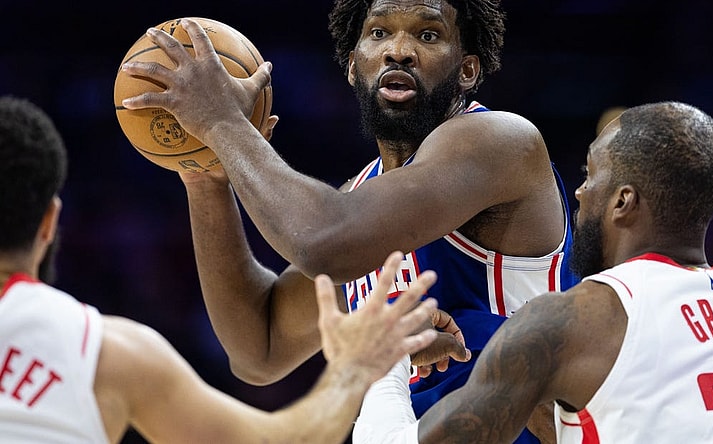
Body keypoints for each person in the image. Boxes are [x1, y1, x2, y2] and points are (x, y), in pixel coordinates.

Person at [120, 2, 578, 441]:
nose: (398, 50)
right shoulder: (359, 201)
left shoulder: (501, 142)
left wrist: (222, 122)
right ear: (354, 67)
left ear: (467, 70)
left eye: (428, 34)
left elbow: (324, 242)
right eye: (379, 33)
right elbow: (258, 347)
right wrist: (207, 178)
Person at [0, 95, 440, 444]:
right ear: (49, 221)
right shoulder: (105, 354)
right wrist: (357, 366)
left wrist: (204, 177)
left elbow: (259, 349)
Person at [350, 101, 713, 443]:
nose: (578, 191)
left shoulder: (573, 322)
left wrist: (387, 356)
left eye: (590, 174)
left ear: (623, 202)